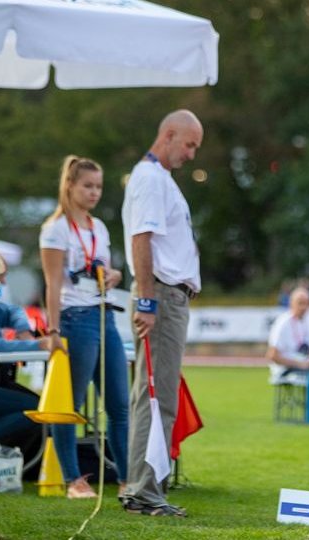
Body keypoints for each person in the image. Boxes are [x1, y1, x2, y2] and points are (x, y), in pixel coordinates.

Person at [120, 109, 203, 518]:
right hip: (163, 297)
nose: (191, 154)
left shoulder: (158, 179)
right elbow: (142, 240)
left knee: (151, 395)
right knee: (157, 396)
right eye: (189, 144)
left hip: (168, 295)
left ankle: (142, 484)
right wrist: (148, 301)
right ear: (168, 134)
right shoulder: (151, 179)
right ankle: (144, 490)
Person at [39, 155, 129, 499]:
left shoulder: (100, 227)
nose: (94, 193)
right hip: (75, 320)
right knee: (70, 405)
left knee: (119, 404)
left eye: (98, 187)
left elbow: (104, 270)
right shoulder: (55, 229)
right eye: (87, 186)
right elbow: (51, 284)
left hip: (105, 315)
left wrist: (114, 276)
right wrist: (54, 331)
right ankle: (74, 480)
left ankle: (126, 479)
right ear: (70, 186)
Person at [0, 247, 58, 448]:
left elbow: (14, 311)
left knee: (40, 406)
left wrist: (23, 329)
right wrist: (35, 344)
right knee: (40, 408)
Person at [266, 287, 309, 378]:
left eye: (307, 304)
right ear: (291, 303)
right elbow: (272, 356)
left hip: (305, 365)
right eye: (300, 303)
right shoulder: (283, 323)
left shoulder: (308, 321)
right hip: (285, 369)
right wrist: (299, 364)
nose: (304, 307)